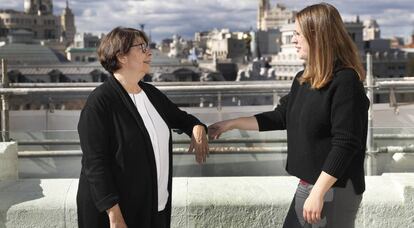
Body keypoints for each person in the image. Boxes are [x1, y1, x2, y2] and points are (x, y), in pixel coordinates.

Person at [208, 3, 369, 228]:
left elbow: (346, 142)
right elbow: (281, 116)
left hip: (334, 189)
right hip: (313, 185)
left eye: (297, 34)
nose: (293, 40)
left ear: (318, 37)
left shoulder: (345, 82)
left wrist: (318, 193)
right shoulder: (303, 78)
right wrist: (232, 124)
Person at [77, 27, 209, 228]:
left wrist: (197, 127)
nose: (150, 52)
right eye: (142, 47)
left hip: (154, 207)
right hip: (117, 215)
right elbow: (95, 165)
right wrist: (114, 216)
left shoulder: (151, 94)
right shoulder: (99, 103)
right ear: (121, 56)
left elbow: (182, 119)